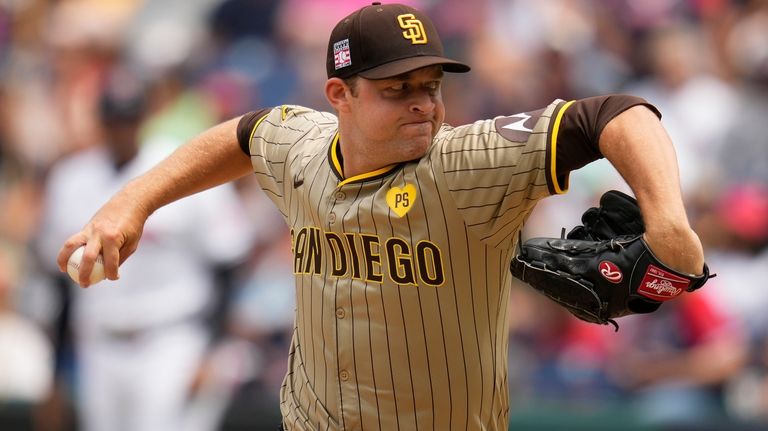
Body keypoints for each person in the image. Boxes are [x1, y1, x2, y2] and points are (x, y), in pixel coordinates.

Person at [57, 3, 707, 430]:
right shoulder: (302, 146)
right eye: (398, 89)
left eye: (431, 84)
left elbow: (615, 114)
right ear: (338, 94)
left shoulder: (466, 161)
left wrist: (669, 221)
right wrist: (132, 200)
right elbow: (243, 134)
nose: (423, 103)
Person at [38, 66, 255, 431]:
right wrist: (55, 374)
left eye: (128, 119)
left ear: (144, 118)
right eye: (113, 120)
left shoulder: (180, 168)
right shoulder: (71, 178)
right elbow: (59, 282)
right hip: (99, 344)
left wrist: (213, 351)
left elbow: (229, 261)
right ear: (100, 121)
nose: (120, 129)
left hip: (171, 340)